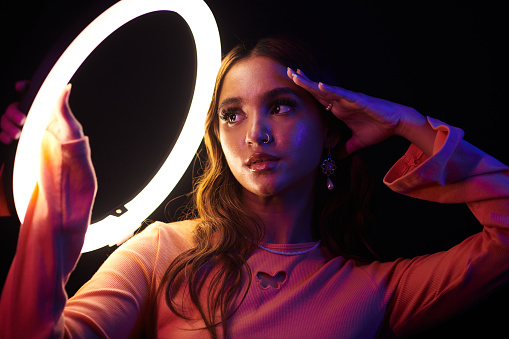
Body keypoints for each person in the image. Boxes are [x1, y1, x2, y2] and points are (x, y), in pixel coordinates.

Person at [0, 36, 508, 338]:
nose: (255, 134)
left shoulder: (374, 291)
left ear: (331, 126)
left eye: (282, 106)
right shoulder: (161, 251)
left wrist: (406, 122)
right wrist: (56, 211)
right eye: (232, 114)